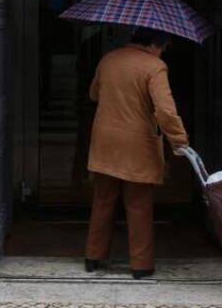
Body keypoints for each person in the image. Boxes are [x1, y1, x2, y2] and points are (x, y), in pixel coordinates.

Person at [83, 27, 189, 279]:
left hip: (105, 140)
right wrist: (179, 140)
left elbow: (93, 94)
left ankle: (92, 257)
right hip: (137, 144)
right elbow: (165, 111)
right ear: (156, 44)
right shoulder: (155, 67)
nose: (163, 52)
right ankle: (141, 265)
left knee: (103, 200)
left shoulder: (108, 59)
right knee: (138, 204)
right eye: (163, 47)